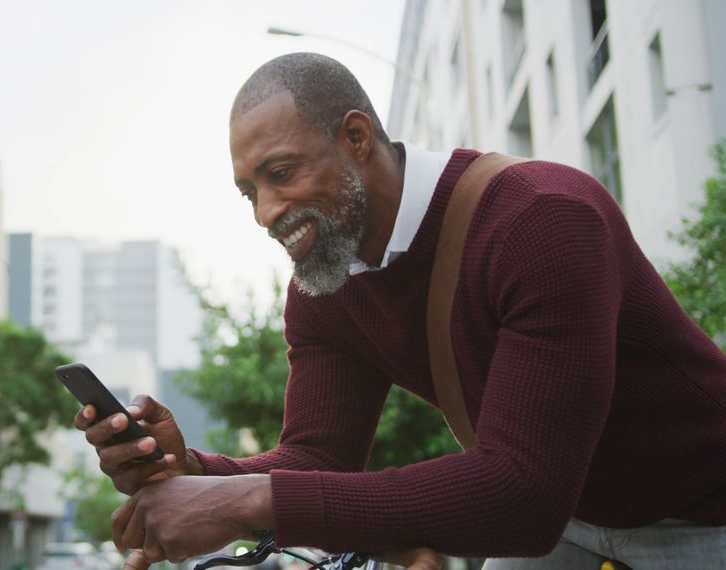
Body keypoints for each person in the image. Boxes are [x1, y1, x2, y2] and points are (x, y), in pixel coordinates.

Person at [77, 52, 726, 569]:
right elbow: (316, 460)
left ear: (357, 137)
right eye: (249, 191)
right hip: (573, 524)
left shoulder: (541, 219)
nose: (265, 213)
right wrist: (194, 472)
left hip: (701, 512)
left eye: (281, 173)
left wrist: (244, 500)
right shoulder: (322, 283)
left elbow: (521, 497)